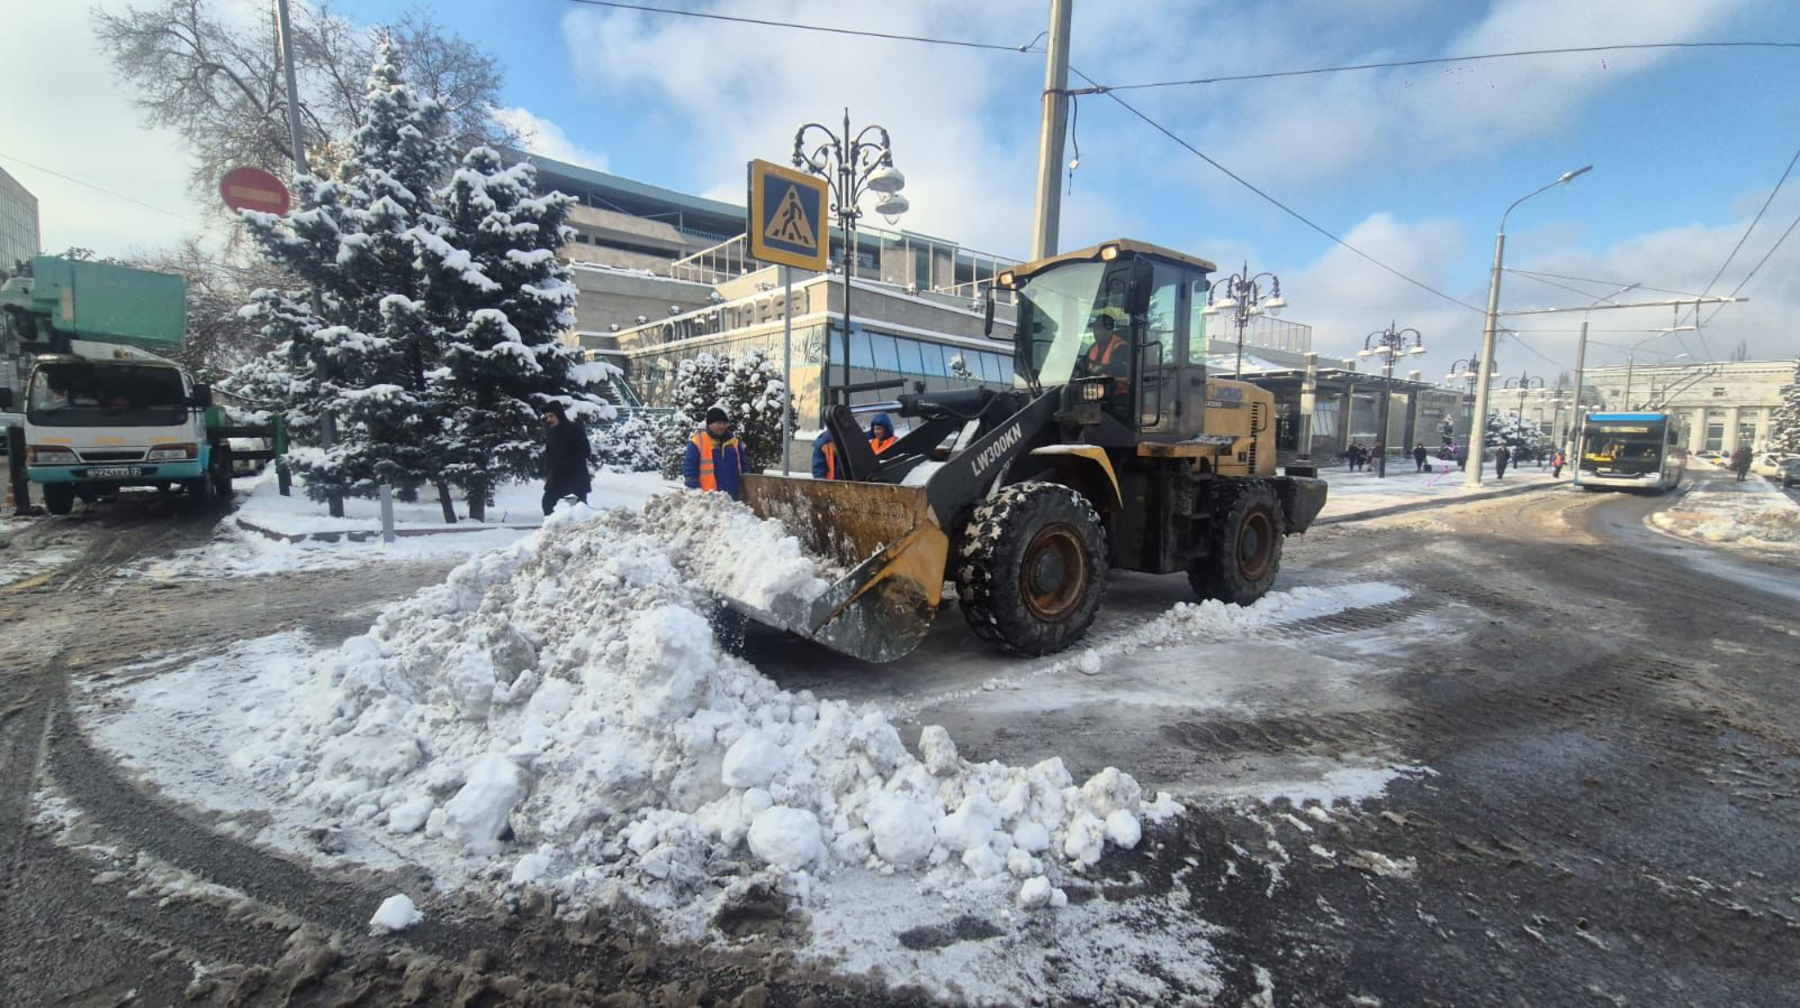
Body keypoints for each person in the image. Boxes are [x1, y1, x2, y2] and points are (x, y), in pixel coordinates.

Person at [685, 407, 748, 500]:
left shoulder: (734, 442)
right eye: (718, 423)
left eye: (724, 423)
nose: (722, 426)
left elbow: (744, 467)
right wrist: (695, 493)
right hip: (708, 500)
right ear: (709, 425)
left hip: (733, 499)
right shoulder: (697, 442)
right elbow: (690, 469)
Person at [540, 402, 591, 515]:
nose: (549, 419)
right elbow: (549, 451)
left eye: (551, 416)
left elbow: (585, 451)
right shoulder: (551, 432)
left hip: (573, 480)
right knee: (547, 503)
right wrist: (548, 465)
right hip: (557, 478)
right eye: (547, 416)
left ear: (559, 415)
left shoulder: (574, 429)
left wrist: (568, 463)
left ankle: (580, 530)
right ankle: (552, 528)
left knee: (577, 508)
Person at [1080, 307, 1131, 396]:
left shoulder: (1120, 346)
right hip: (1096, 391)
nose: (1096, 332)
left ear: (1109, 330)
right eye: (1094, 329)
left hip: (1118, 393)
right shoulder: (1093, 347)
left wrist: (1103, 368)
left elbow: (1122, 368)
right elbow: (1083, 364)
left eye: (1099, 329)